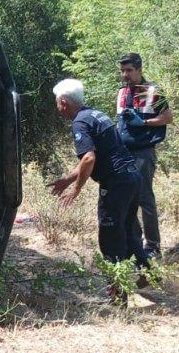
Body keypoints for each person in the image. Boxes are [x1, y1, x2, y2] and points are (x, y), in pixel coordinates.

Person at [47, 78, 150, 274]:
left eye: (57, 102)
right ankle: (145, 272)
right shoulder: (95, 114)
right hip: (132, 178)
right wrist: (67, 180)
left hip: (116, 183)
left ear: (63, 103)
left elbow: (88, 158)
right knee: (128, 230)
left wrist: (76, 189)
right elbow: (98, 155)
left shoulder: (79, 123)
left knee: (110, 235)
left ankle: (118, 292)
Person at [116, 53, 173, 260]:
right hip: (123, 152)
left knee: (144, 198)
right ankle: (134, 242)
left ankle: (153, 246)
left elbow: (168, 117)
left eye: (129, 70)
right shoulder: (122, 92)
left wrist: (144, 122)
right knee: (126, 198)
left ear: (139, 69)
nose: (125, 75)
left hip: (143, 151)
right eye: (123, 71)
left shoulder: (152, 91)